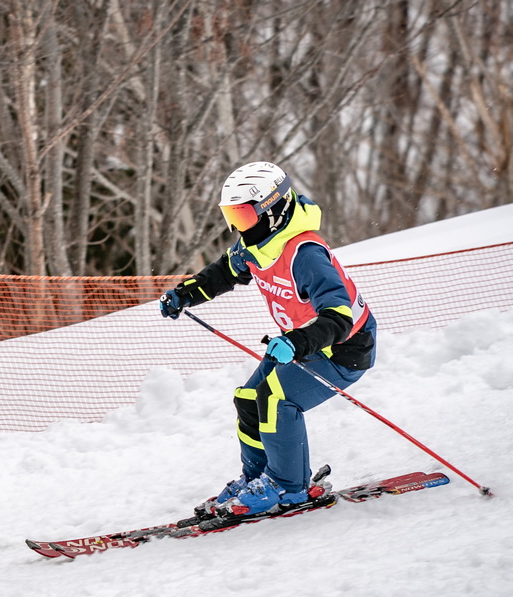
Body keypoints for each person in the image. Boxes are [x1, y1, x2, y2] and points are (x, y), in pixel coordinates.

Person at [159, 161, 376, 519]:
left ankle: (289, 487)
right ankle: (258, 476)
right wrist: (185, 294)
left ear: (272, 209)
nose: (238, 226)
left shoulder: (305, 254)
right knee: (249, 399)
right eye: (233, 216)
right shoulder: (258, 245)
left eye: (243, 215)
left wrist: (297, 342)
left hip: (344, 347)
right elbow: (223, 273)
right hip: (304, 343)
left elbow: (340, 317)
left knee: (276, 398)